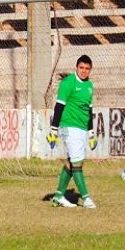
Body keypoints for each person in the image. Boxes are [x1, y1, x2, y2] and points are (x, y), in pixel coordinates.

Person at [47, 55, 97, 208]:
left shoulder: (89, 86)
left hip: (81, 129)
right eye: (81, 67)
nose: (84, 71)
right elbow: (59, 107)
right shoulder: (68, 83)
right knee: (77, 163)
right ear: (76, 67)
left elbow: (89, 111)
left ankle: (58, 196)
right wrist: (53, 131)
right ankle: (86, 198)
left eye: (87, 68)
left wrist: (91, 133)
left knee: (71, 162)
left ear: (90, 70)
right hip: (69, 127)